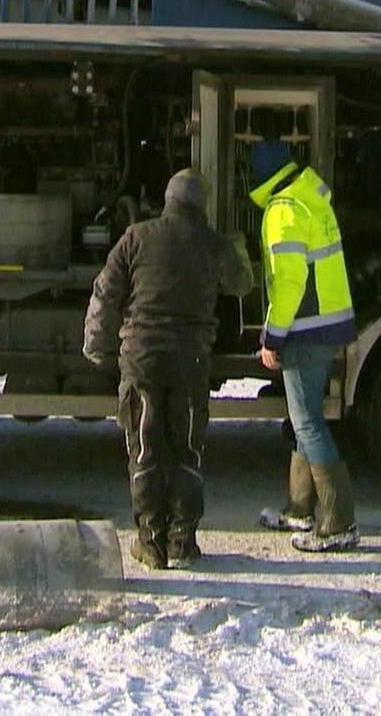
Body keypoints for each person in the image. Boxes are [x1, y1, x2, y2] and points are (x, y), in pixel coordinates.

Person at [84, 169, 252, 570]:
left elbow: (105, 294)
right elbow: (243, 282)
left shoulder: (136, 237)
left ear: (167, 199)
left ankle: (151, 543)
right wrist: (238, 247)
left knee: (145, 449)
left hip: (141, 361)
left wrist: (96, 347)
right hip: (190, 363)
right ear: (201, 204)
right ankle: (183, 542)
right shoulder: (211, 244)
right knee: (186, 451)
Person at [249, 141, 361, 552]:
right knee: (305, 419)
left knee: (309, 423)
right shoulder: (310, 197)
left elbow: (290, 282)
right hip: (326, 324)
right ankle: (299, 510)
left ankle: (338, 522)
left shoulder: (283, 210)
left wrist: (272, 336)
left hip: (305, 330)